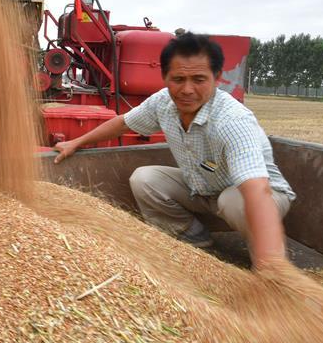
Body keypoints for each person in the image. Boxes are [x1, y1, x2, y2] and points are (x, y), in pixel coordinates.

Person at [52, 32, 294, 268]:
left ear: (217, 77)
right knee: (145, 179)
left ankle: (266, 264)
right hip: (202, 188)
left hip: (261, 197)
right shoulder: (163, 103)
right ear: (165, 77)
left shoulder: (232, 120)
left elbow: (256, 191)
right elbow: (123, 123)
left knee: (233, 201)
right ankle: (193, 242)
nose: (187, 90)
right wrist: (76, 142)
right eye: (178, 80)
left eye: (199, 80)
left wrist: (275, 267)